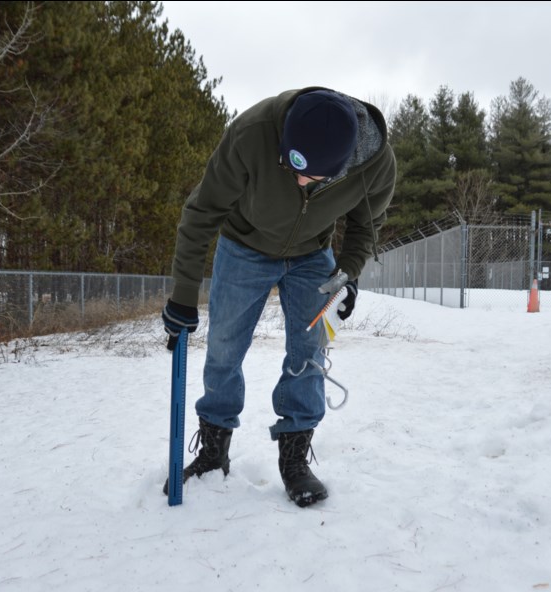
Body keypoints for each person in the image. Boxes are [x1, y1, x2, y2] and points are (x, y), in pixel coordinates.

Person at [161, 87, 396, 507]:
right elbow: (202, 212)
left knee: (308, 351)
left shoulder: (375, 166)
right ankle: (214, 449)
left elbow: (365, 227)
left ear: (342, 168)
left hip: (312, 255)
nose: (298, 180)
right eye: (291, 165)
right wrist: (182, 295)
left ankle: (294, 457)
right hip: (243, 245)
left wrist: (348, 275)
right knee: (225, 346)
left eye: (310, 177)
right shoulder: (252, 133)